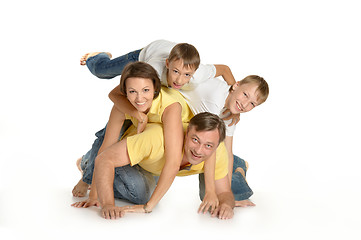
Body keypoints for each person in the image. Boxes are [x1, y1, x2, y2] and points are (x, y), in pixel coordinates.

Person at [72, 61, 196, 211]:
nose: (139, 98)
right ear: (125, 92)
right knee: (135, 188)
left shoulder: (170, 108)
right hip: (134, 141)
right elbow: (106, 146)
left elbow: (173, 162)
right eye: (132, 92)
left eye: (145, 90)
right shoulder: (122, 106)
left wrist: (148, 207)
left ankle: (89, 165)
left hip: (155, 149)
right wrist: (94, 196)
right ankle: (89, 167)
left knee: (145, 195)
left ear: (155, 88)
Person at [89, 112, 236, 220]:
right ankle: (88, 164)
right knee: (141, 193)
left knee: (153, 191)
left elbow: (224, 192)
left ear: (217, 146)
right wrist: (107, 203)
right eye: (195, 140)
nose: (198, 150)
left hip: (150, 166)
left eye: (208, 145)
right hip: (123, 152)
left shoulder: (218, 152)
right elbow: (104, 159)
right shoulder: (157, 138)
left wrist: (227, 206)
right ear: (187, 132)